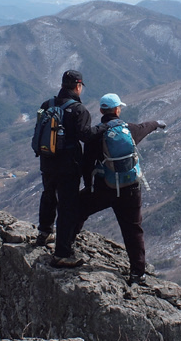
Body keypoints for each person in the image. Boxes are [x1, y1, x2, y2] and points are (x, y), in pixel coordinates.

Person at [78, 93, 166, 284]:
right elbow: (146, 126)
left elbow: (86, 164)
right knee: (133, 230)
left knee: (77, 210)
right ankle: (138, 273)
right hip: (131, 188)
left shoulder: (95, 135)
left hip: (104, 188)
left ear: (101, 111)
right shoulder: (130, 129)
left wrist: (89, 186)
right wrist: (158, 123)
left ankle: (67, 247)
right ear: (118, 109)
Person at [35, 69, 96, 268]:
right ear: (78, 86)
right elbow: (85, 136)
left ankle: (44, 233)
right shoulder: (79, 110)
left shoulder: (47, 105)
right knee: (67, 207)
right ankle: (62, 253)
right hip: (68, 166)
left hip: (47, 161)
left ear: (62, 85)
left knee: (48, 195)